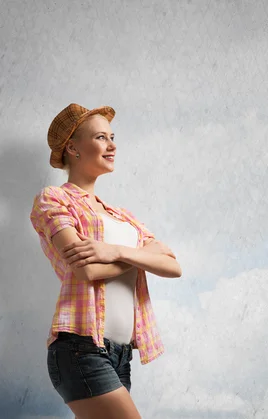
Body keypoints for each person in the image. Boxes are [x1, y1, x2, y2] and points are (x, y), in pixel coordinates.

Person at [30, 103, 182, 419]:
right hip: (80, 348)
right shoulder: (54, 199)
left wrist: (116, 251)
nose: (112, 146)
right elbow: (86, 271)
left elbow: (172, 264)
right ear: (72, 147)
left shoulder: (122, 216)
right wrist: (143, 258)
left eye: (112, 137)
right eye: (101, 137)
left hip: (119, 354)